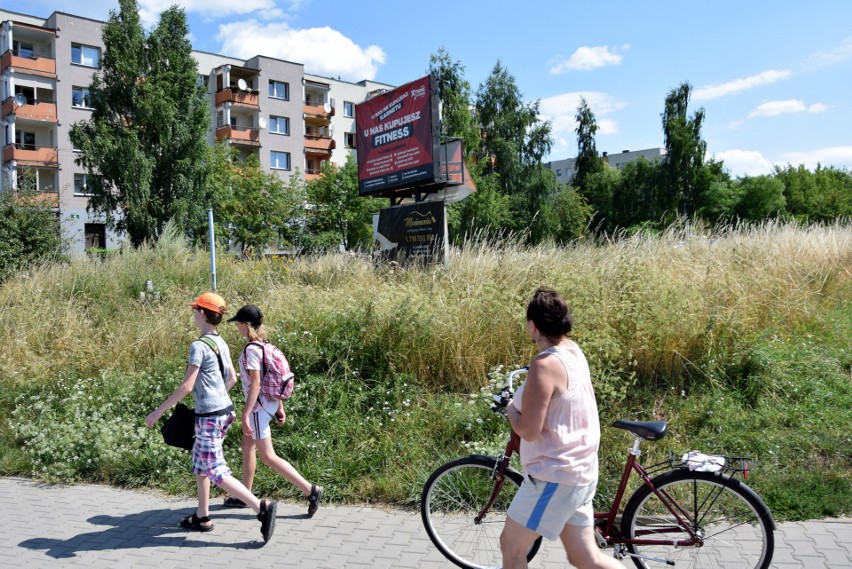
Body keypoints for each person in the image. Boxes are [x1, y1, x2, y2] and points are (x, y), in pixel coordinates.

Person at [500, 288, 622, 569]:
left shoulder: (544, 365)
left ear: (532, 326)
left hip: (554, 476)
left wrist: (509, 409)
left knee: (512, 546)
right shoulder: (573, 351)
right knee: (585, 557)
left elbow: (528, 431)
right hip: (581, 471)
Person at [144, 292, 278, 543]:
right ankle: (202, 516)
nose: (193, 314)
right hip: (224, 412)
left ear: (203, 314)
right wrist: (216, 398)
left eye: (195, 310)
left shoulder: (199, 345)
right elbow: (232, 379)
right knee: (201, 461)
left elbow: (186, 386)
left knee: (215, 469)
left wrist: (157, 412)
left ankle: (261, 508)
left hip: (210, 417)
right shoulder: (220, 342)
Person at [223, 304, 324, 516]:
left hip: (258, 408)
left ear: (244, 325)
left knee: (268, 456)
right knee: (247, 444)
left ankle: (311, 490)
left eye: (238, 324)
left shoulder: (251, 349)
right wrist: (279, 406)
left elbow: (257, 383)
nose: (236, 328)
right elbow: (272, 376)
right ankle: (245, 495)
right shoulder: (265, 345)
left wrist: (245, 413)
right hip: (268, 404)